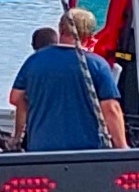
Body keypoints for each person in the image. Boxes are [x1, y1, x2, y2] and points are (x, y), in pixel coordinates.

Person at [9, 9, 127, 152]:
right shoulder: (97, 65)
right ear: (90, 35)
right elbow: (111, 109)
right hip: (85, 151)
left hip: (40, 149)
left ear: (60, 29)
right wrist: (122, 147)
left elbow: (16, 97)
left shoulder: (34, 61)